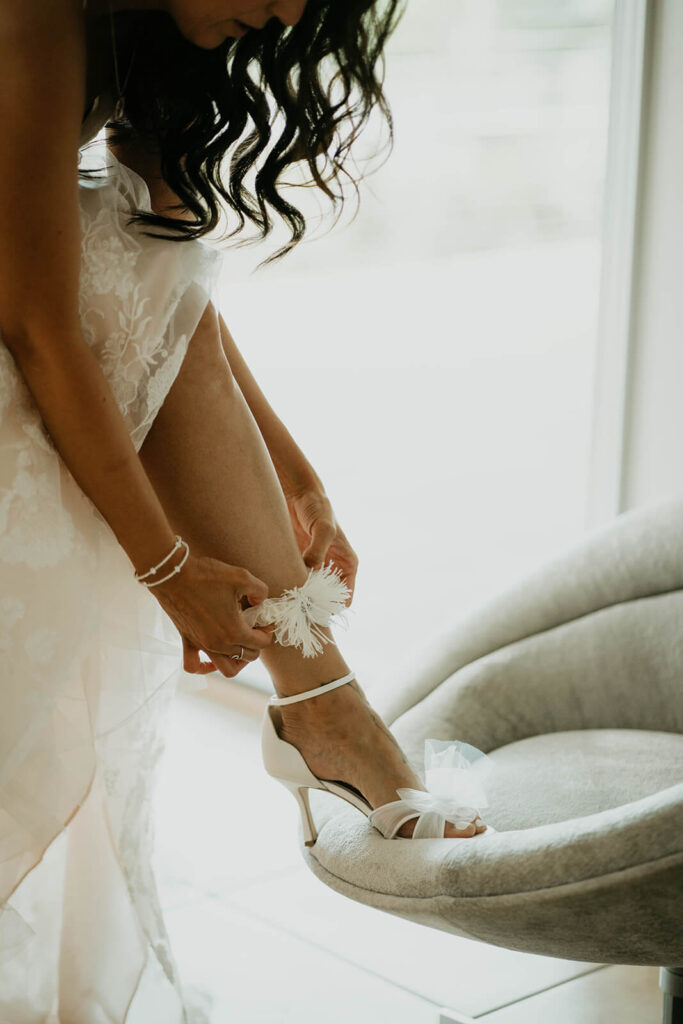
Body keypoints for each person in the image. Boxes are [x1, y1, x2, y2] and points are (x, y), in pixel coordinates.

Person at [0, 0, 488, 1017]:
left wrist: (297, 469)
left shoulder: (154, 31)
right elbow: (39, 318)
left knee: (131, 238)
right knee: (104, 264)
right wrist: (168, 568)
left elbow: (171, 293)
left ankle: (327, 708)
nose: (283, 13)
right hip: (21, 303)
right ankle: (329, 713)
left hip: (30, 288)